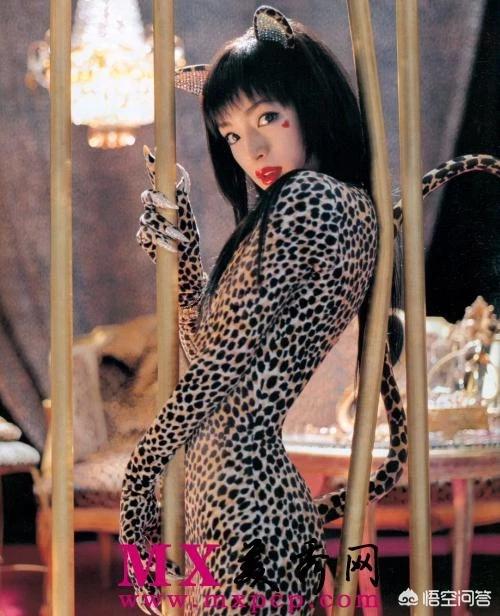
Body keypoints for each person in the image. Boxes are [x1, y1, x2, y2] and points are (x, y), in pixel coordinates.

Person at [119, 5, 405, 614]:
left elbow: (217, 370)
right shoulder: (320, 205)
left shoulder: (310, 199)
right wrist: (185, 257)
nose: (250, 149)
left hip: (249, 509)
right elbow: (215, 354)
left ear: (311, 101)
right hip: (236, 504)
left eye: (267, 117)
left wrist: (138, 485)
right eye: (230, 134)